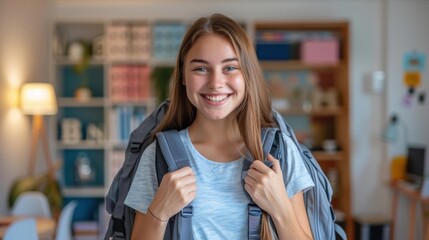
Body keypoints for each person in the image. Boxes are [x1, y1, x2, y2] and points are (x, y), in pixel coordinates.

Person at [124, 13, 314, 240]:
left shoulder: (279, 152)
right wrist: (159, 212)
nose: (215, 83)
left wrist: (281, 209)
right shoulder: (157, 157)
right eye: (201, 69)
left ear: (247, 75)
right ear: (183, 76)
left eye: (230, 68)